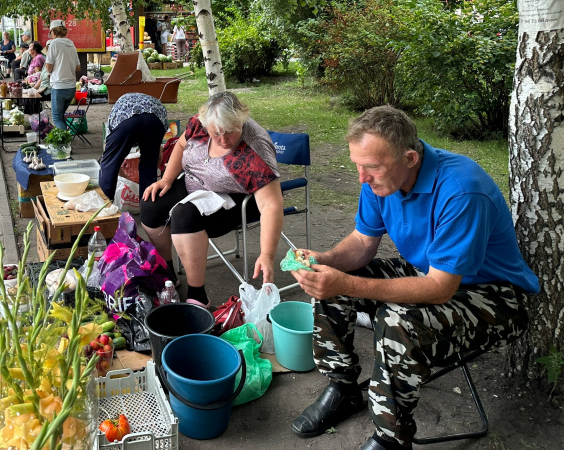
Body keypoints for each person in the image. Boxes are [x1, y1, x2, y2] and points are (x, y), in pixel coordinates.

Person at [287, 105, 539, 450]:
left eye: (371, 167)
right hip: (430, 273)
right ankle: (343, 388)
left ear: (409, 158)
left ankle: (391, 439)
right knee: (330, 277)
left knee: (396, 320)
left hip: (496, 296)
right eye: (357, 165)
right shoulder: (379, 179)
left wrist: (345, 283)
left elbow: (439, 289)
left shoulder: (463, 189)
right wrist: (327, 260)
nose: (362, 177)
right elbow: (362, 242)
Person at [140, 92, 284, 305]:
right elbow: (180, 146)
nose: (224, 140)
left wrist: (267, 255)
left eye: (230, 133)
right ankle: (167, 273)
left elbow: (271, 204)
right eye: (216, 134)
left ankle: (197, 295)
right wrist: (167, 179)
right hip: (195, 183)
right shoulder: (199, 123)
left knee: (184, 215)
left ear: (241, 121)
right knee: (151, 204)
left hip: (236, 198)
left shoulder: (255, 148)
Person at [100, 93, 169, 200]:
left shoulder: (116, 116)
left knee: (109, 165)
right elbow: (158, 157)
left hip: (126, 119)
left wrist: (119, 172)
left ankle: (104, 208)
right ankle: (148, 209)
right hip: (155, 118)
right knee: (149, 167)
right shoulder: (152, 104)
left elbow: (111, 159)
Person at [45, 20, 80, 130]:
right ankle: (66, 141)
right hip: (71, 87)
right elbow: (78, 67)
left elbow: (48, 67)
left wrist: (52, 71)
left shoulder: (54, 44)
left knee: (56, 118)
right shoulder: (71, 45)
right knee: (60, 116)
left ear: (53, 31)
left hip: (59, 86)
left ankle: (62, 145)